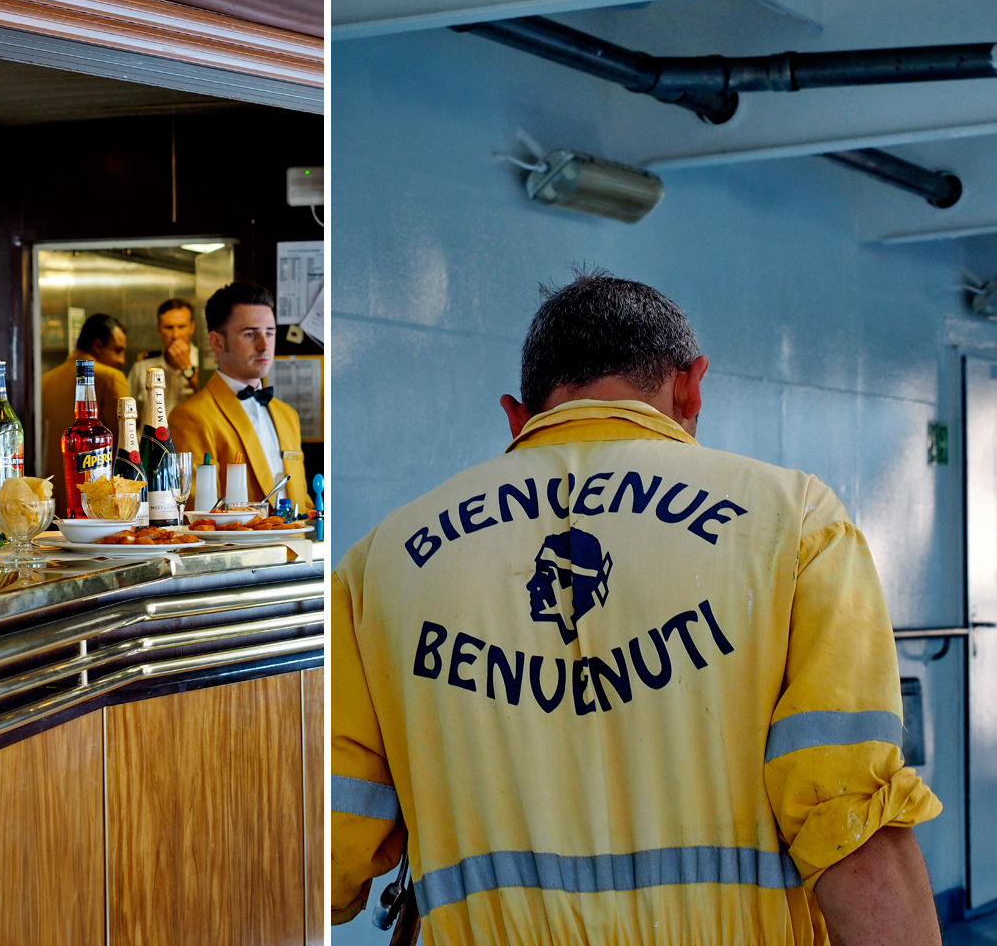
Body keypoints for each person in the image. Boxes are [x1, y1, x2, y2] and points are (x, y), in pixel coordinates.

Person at [331, 271, 942, 946]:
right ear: (692, 386)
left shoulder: (379, 563)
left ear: (517, 416)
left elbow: (329, 854)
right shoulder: (795, 523)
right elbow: (848, 822)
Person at [170, 281, 310, 513]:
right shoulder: (191, 417)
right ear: (217, 342)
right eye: (250, 334)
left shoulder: (288, 415)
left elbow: (301, 499)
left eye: (270, 332)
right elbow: (199, 518)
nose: (264, 345)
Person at [40, 313, 128, 515]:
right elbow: (126, 448)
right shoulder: (112, 378)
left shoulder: (46, 380)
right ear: (97, 345)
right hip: (97, 509)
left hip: (53, 505)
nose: (121, 360)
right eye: (118, 350)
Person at [128, 298, 200, 413]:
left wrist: (187, 368)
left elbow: (216, 400)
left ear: (192, 328)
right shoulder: (142, 368)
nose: (175, 335)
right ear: (159, 329)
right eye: (169, 328)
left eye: (181, 327)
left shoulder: (206, 366)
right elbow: (129, 413)